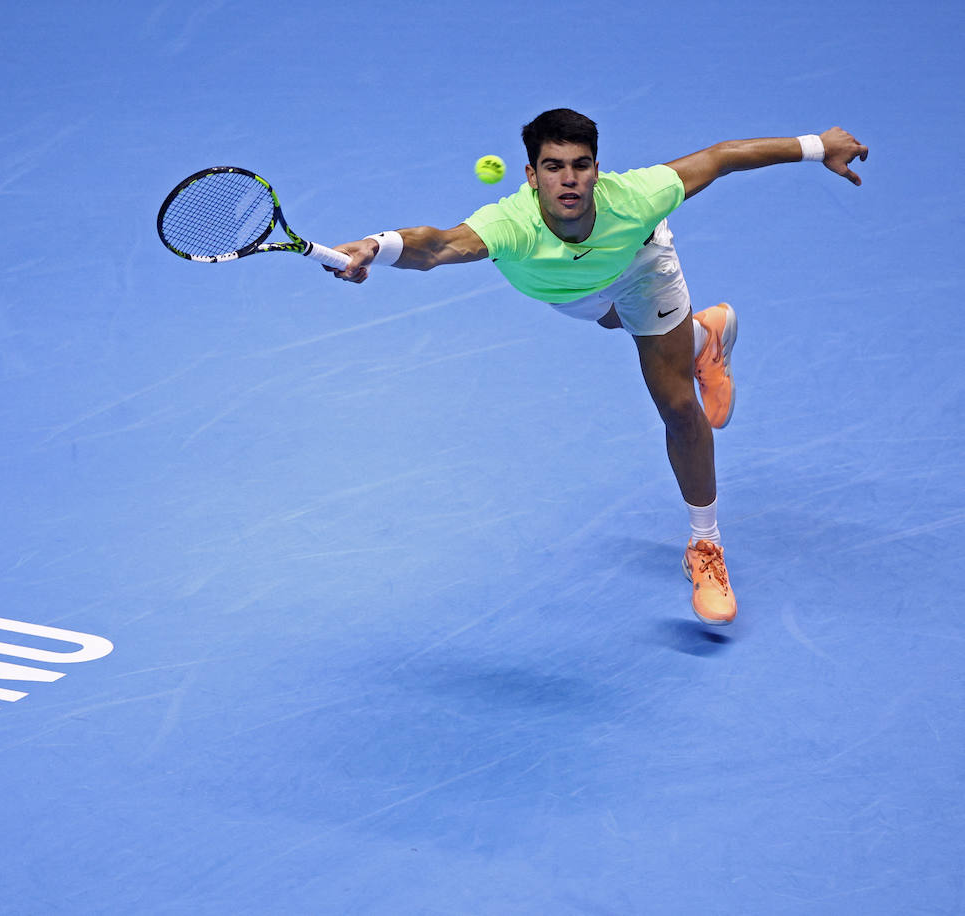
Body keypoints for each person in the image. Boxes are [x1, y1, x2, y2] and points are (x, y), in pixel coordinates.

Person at [330, 109, 868, 625]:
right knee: (623, 325)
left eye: (581, 165)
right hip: (575, 293)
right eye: (553, 166)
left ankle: (706, 545)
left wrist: (820, 146)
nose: (569, 179)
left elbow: (722, 156)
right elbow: (438, 246)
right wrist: (378, 245)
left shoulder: (634, 197)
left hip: (640, 268)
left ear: (596, 169)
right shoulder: (509, 223)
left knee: (678, 403)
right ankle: (706, 336)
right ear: (531, 175)